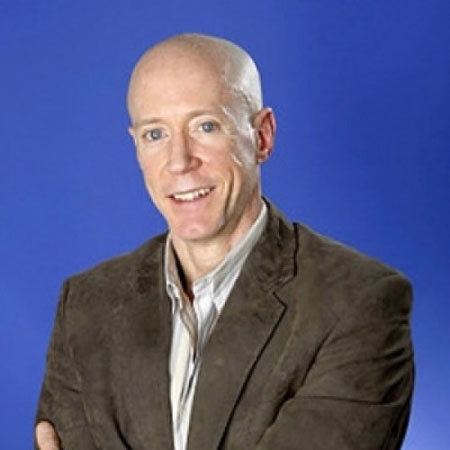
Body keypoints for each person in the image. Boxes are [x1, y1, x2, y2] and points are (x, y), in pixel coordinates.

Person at [35, 33, 414, 450]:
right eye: (155, 134)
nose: (179, 161)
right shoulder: (87, 305)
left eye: (206, 126)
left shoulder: (359, 302)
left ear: (262, 137)